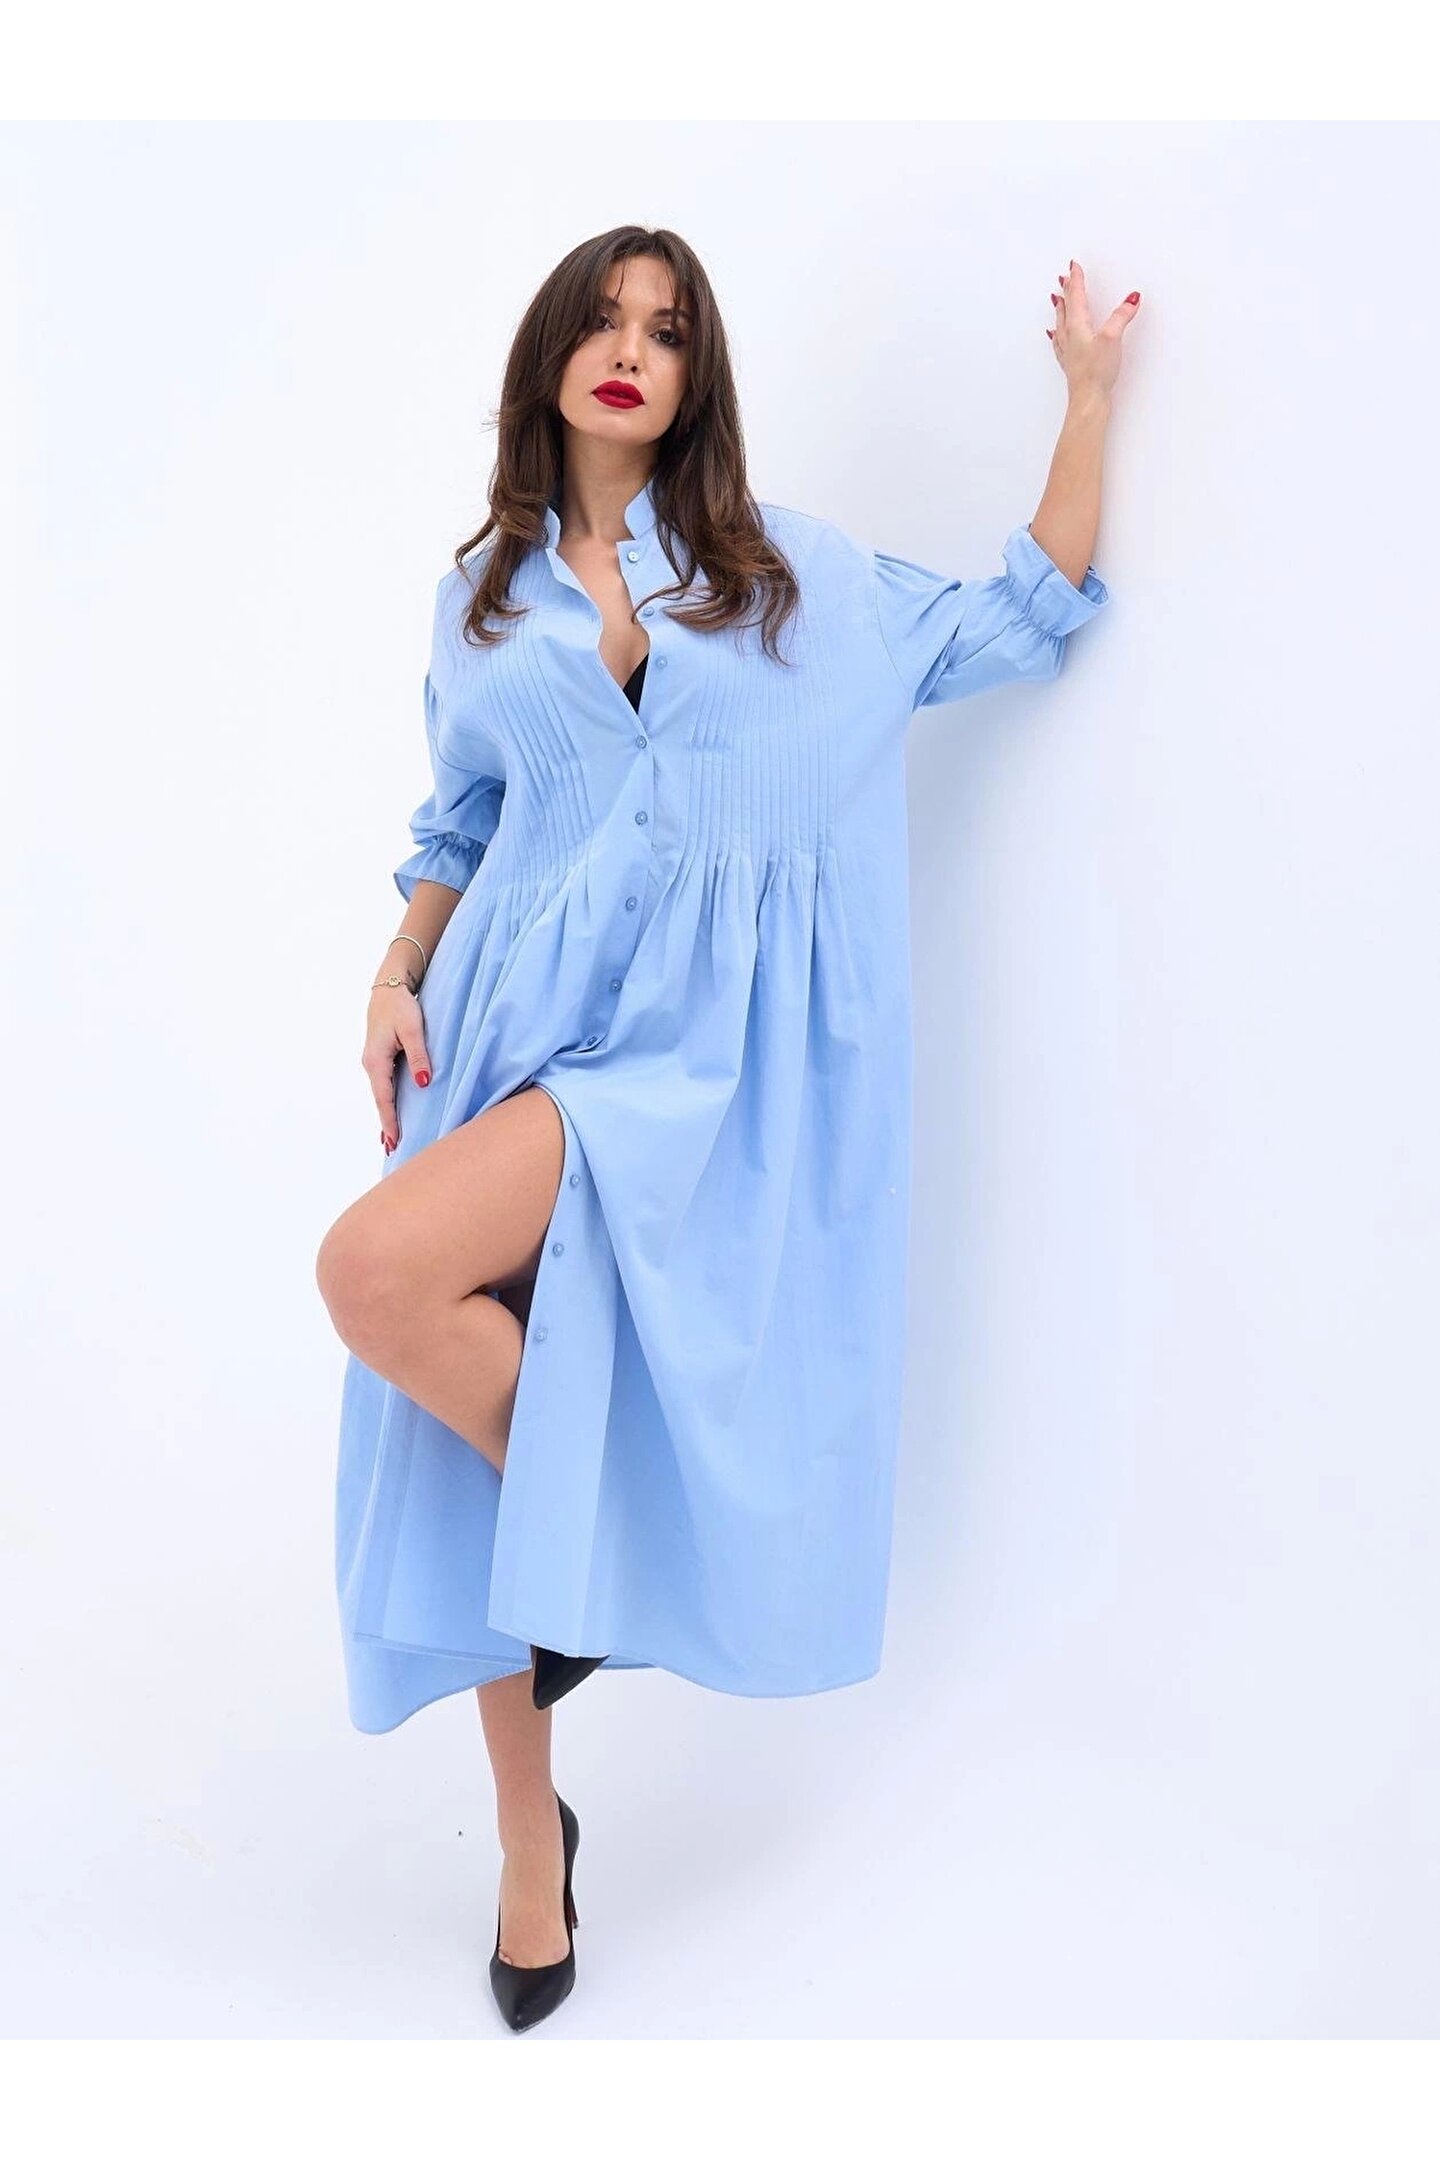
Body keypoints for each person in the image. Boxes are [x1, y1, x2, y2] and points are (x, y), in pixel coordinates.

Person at [314, 224, 1137, 2031]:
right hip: (510, 1033)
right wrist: (393, 973)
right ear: (550, 354)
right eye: (603, 320)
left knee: (394, 1297)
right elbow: (460, 817)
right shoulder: (484, 596)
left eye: (668, 330)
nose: (631, 348)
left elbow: (1019, 613)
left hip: (694, 1072)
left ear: (697, 380)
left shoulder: (791, 579)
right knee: (408, 1332)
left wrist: (1085, 401)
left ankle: (588, 1572)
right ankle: (531, 1848)